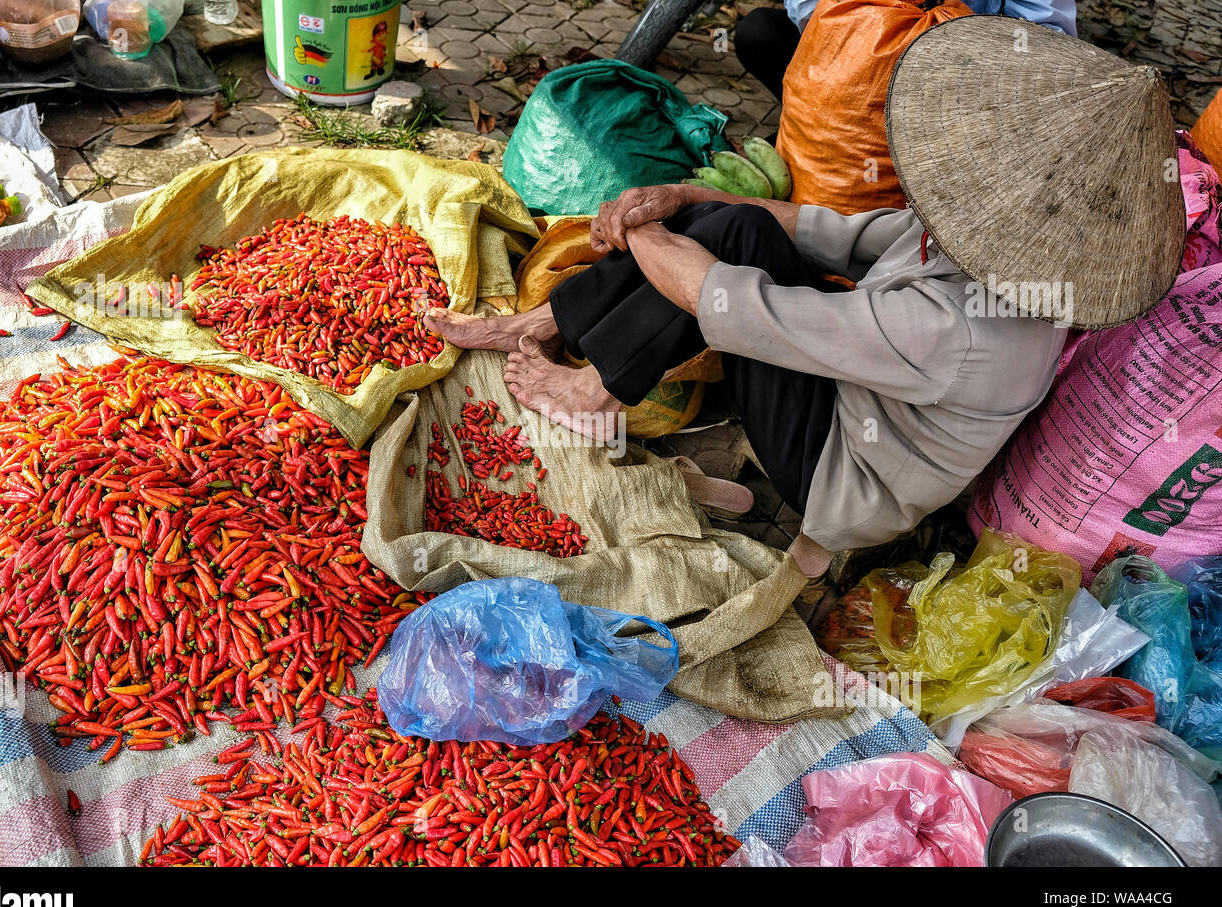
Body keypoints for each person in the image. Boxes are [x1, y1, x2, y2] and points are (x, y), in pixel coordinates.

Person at [425, 17, 1184, 570]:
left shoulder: (962, 330)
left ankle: (597, 392)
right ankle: (548, 325)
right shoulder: (1000, 252)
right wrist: (683, 196)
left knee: (723, 252)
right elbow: (831, 232)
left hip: (839, 475)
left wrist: (641, 229)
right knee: (735, 225)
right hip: (860, 398)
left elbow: (737, 307)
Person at [735, 0, 1078, 101]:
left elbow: (1050, 39)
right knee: (760, 32)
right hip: (849, 56)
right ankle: (818, 139)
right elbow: (808, 10)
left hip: (957, 77)